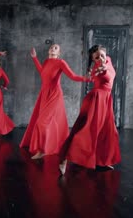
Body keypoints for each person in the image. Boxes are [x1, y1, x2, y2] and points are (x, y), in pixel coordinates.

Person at [58, 44, 121, 175]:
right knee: (85, 131)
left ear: (105, 53)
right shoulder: (98, 68)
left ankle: (101, 161)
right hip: (96, 101)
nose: (101, 59)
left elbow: (107, 65)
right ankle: (64, 158)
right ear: (94, 60)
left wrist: (104, 65)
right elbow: (103, 71)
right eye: (97, 58)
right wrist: (101, 69)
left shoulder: (108, 59)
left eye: (102, 55)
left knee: (107, 131)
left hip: (106, 101)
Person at [19, 44, 90, 160]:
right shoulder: (47, 61)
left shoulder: (61, 62)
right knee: (46, 122)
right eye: (52, 47)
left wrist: (85, 78)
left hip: (54, 95)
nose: (53, 48)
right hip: (44, 94)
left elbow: (72, 76)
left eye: (56, 48)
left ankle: (42, 150)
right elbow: (42, 73)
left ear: (59, 53)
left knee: (42, 123)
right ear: (49, 50)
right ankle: (49, 146)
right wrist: (35, 58)